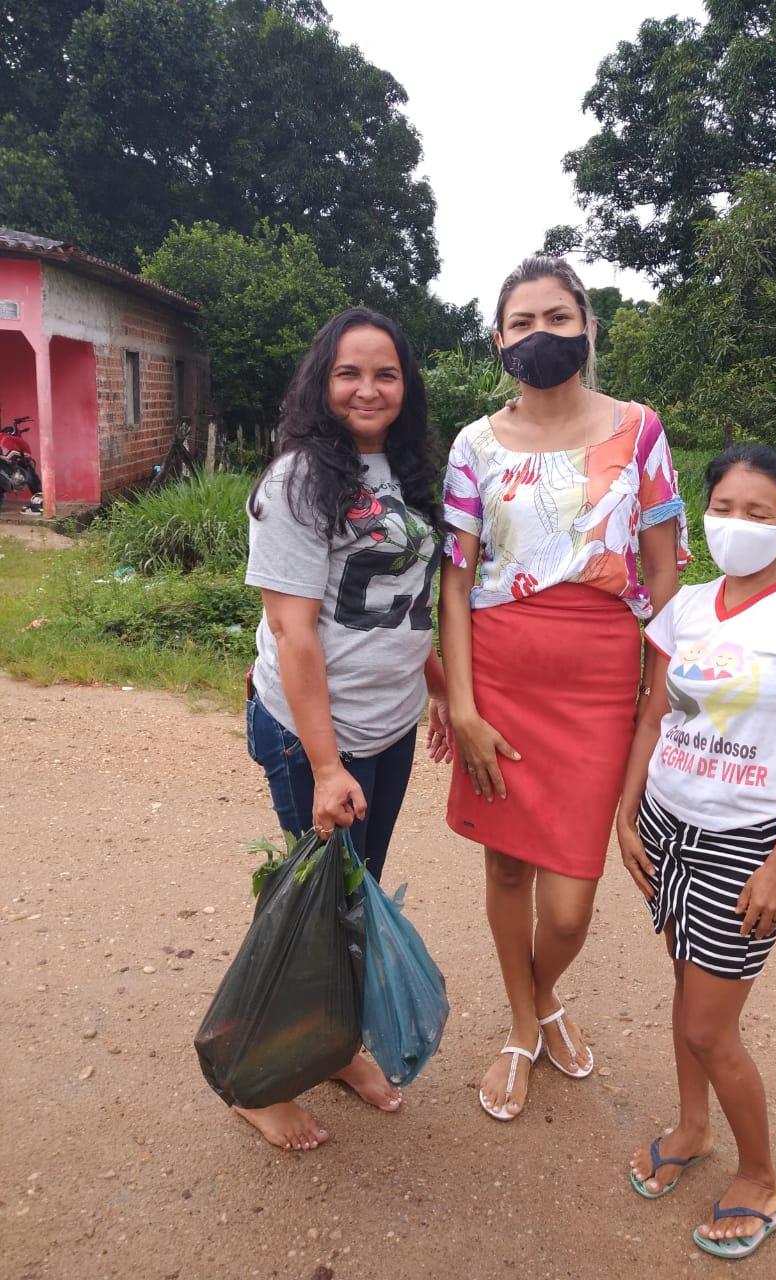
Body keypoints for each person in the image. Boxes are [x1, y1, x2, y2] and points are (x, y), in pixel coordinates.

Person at [439, 256, 689, 1121]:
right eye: (521, 323)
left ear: (586, 324)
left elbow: (664, 580)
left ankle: (547, 990)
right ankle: (524, 1018)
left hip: (600, 686)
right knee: (506, 864)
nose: (538, 335)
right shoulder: (473, 444)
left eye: (555, 317)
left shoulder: (640, 430)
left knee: (574, 899)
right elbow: (455, 582)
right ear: (500, 340)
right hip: (499, 679)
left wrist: (658, 706)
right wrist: (461, 707)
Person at [616, 445, 776, 1260]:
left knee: (710, 1029)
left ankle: (761, 1178)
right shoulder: (682, 610)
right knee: (686, 990)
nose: (736, 524)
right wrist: (628, 813)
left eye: (758, 513)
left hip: (745, 842)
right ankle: (692, 1127)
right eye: (723, 506)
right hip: (668, 827)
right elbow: (656, 716)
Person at [239, 307, 453, 1151]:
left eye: (386, 373)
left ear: (407, 387)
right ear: (321, 383)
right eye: (349, 373)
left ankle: (331, 1046)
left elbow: (406, 602)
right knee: (315, 904)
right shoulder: (298, 481)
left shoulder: (402, 472)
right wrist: (327, 767)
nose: (368, 388)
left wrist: (434, 685)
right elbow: (294, 633)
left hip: (388, 726)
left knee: (352, 896)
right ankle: (261, 1075)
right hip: (313, 738)